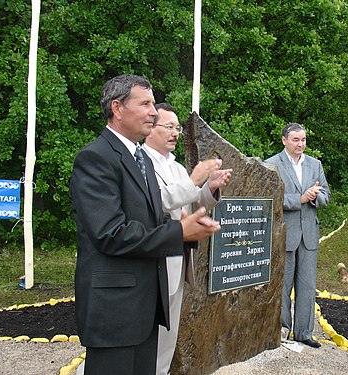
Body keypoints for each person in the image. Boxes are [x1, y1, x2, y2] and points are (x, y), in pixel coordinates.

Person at [70, 74, 220, 375]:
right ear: (117, 108)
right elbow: (110, 234)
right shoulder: (95, 158)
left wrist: (190, 227)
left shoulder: (140, 158)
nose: (153, 111)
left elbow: (154, 218)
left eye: (154, 104)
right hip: (114, 312)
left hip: (146, 307)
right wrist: (180, 231)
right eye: (146, 104)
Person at [143, 103, 232, 374]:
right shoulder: (140, 163)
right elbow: (155, 203)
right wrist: (194, 181)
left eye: (177, 128)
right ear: (150, 130)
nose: (175, 133)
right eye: (168, 127)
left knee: (168, 337)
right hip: (153, 263)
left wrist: (210, 189)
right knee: (148, 336)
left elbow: (191, 204)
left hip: (179, 261)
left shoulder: (177, 167)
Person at [265, 122, 330, 348]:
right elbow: (269, 199)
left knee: (307, 285)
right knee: (282, 285)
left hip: (309, 235)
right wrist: (299, 199)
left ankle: (303, 332)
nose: (300, 144)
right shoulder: (272, 165)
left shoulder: (315, 164)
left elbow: (326, 196)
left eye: (303, 140)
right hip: (284, 234)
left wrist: (314, 197)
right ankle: (281, 329)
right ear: (284, 140)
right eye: (295, 140)